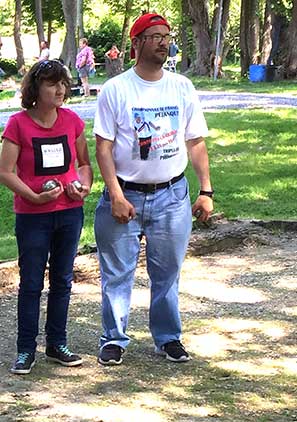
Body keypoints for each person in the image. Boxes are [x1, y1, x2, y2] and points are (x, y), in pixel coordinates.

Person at [93, 13, 213, 366]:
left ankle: (168, 338)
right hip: (125, 194)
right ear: (137, 44)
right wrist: (115, 194)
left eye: (166, 36)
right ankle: (113, 339)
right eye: (155, 36)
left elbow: (196, 141)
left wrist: (206, 190)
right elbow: (103, 148)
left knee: (167, 273)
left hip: (172, 196)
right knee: (117, 274)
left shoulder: (181, 87)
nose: (163, 41)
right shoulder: (116, 89)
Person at [0, 59, 93, 375]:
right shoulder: (17, 124)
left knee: (63, 280)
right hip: (33, 217)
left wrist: (83, 186)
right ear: (35, 89)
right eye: (53, 83)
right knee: (30, 283)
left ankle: (57, 344)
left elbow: (84, 163)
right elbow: (5, 172)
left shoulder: (72, 121)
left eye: (64, 83)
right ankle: (26, 349)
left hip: (69, 214)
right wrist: (34, 196)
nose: (61, 89)